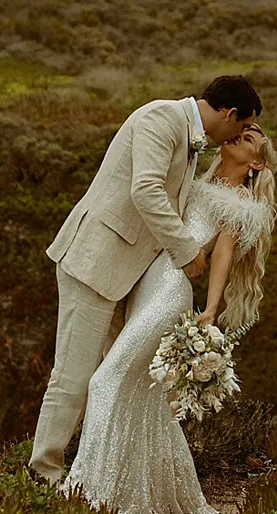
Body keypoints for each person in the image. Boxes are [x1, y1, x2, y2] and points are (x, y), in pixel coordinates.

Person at [28, 75, 263, 487]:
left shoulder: (190, 138)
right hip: (95, 262)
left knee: (115, 380)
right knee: (74, 375)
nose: (238, 135)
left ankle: (100, 478)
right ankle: (43, 475)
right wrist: (186, 251)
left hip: (128, 277)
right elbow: (146, 190)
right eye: (240, 127)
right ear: (228, 115)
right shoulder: (161, 118)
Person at [61, 120, 277, 514]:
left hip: (169, 292)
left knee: (105, 380)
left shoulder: (236, 200)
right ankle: (136, 492)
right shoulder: (196, 177)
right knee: (143, 396)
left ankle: (91, 492)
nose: (238, 136)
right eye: (240, 130)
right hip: (143, 281)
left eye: (249, 139)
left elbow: (222, 257)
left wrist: (211, 310)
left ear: (255, 163)